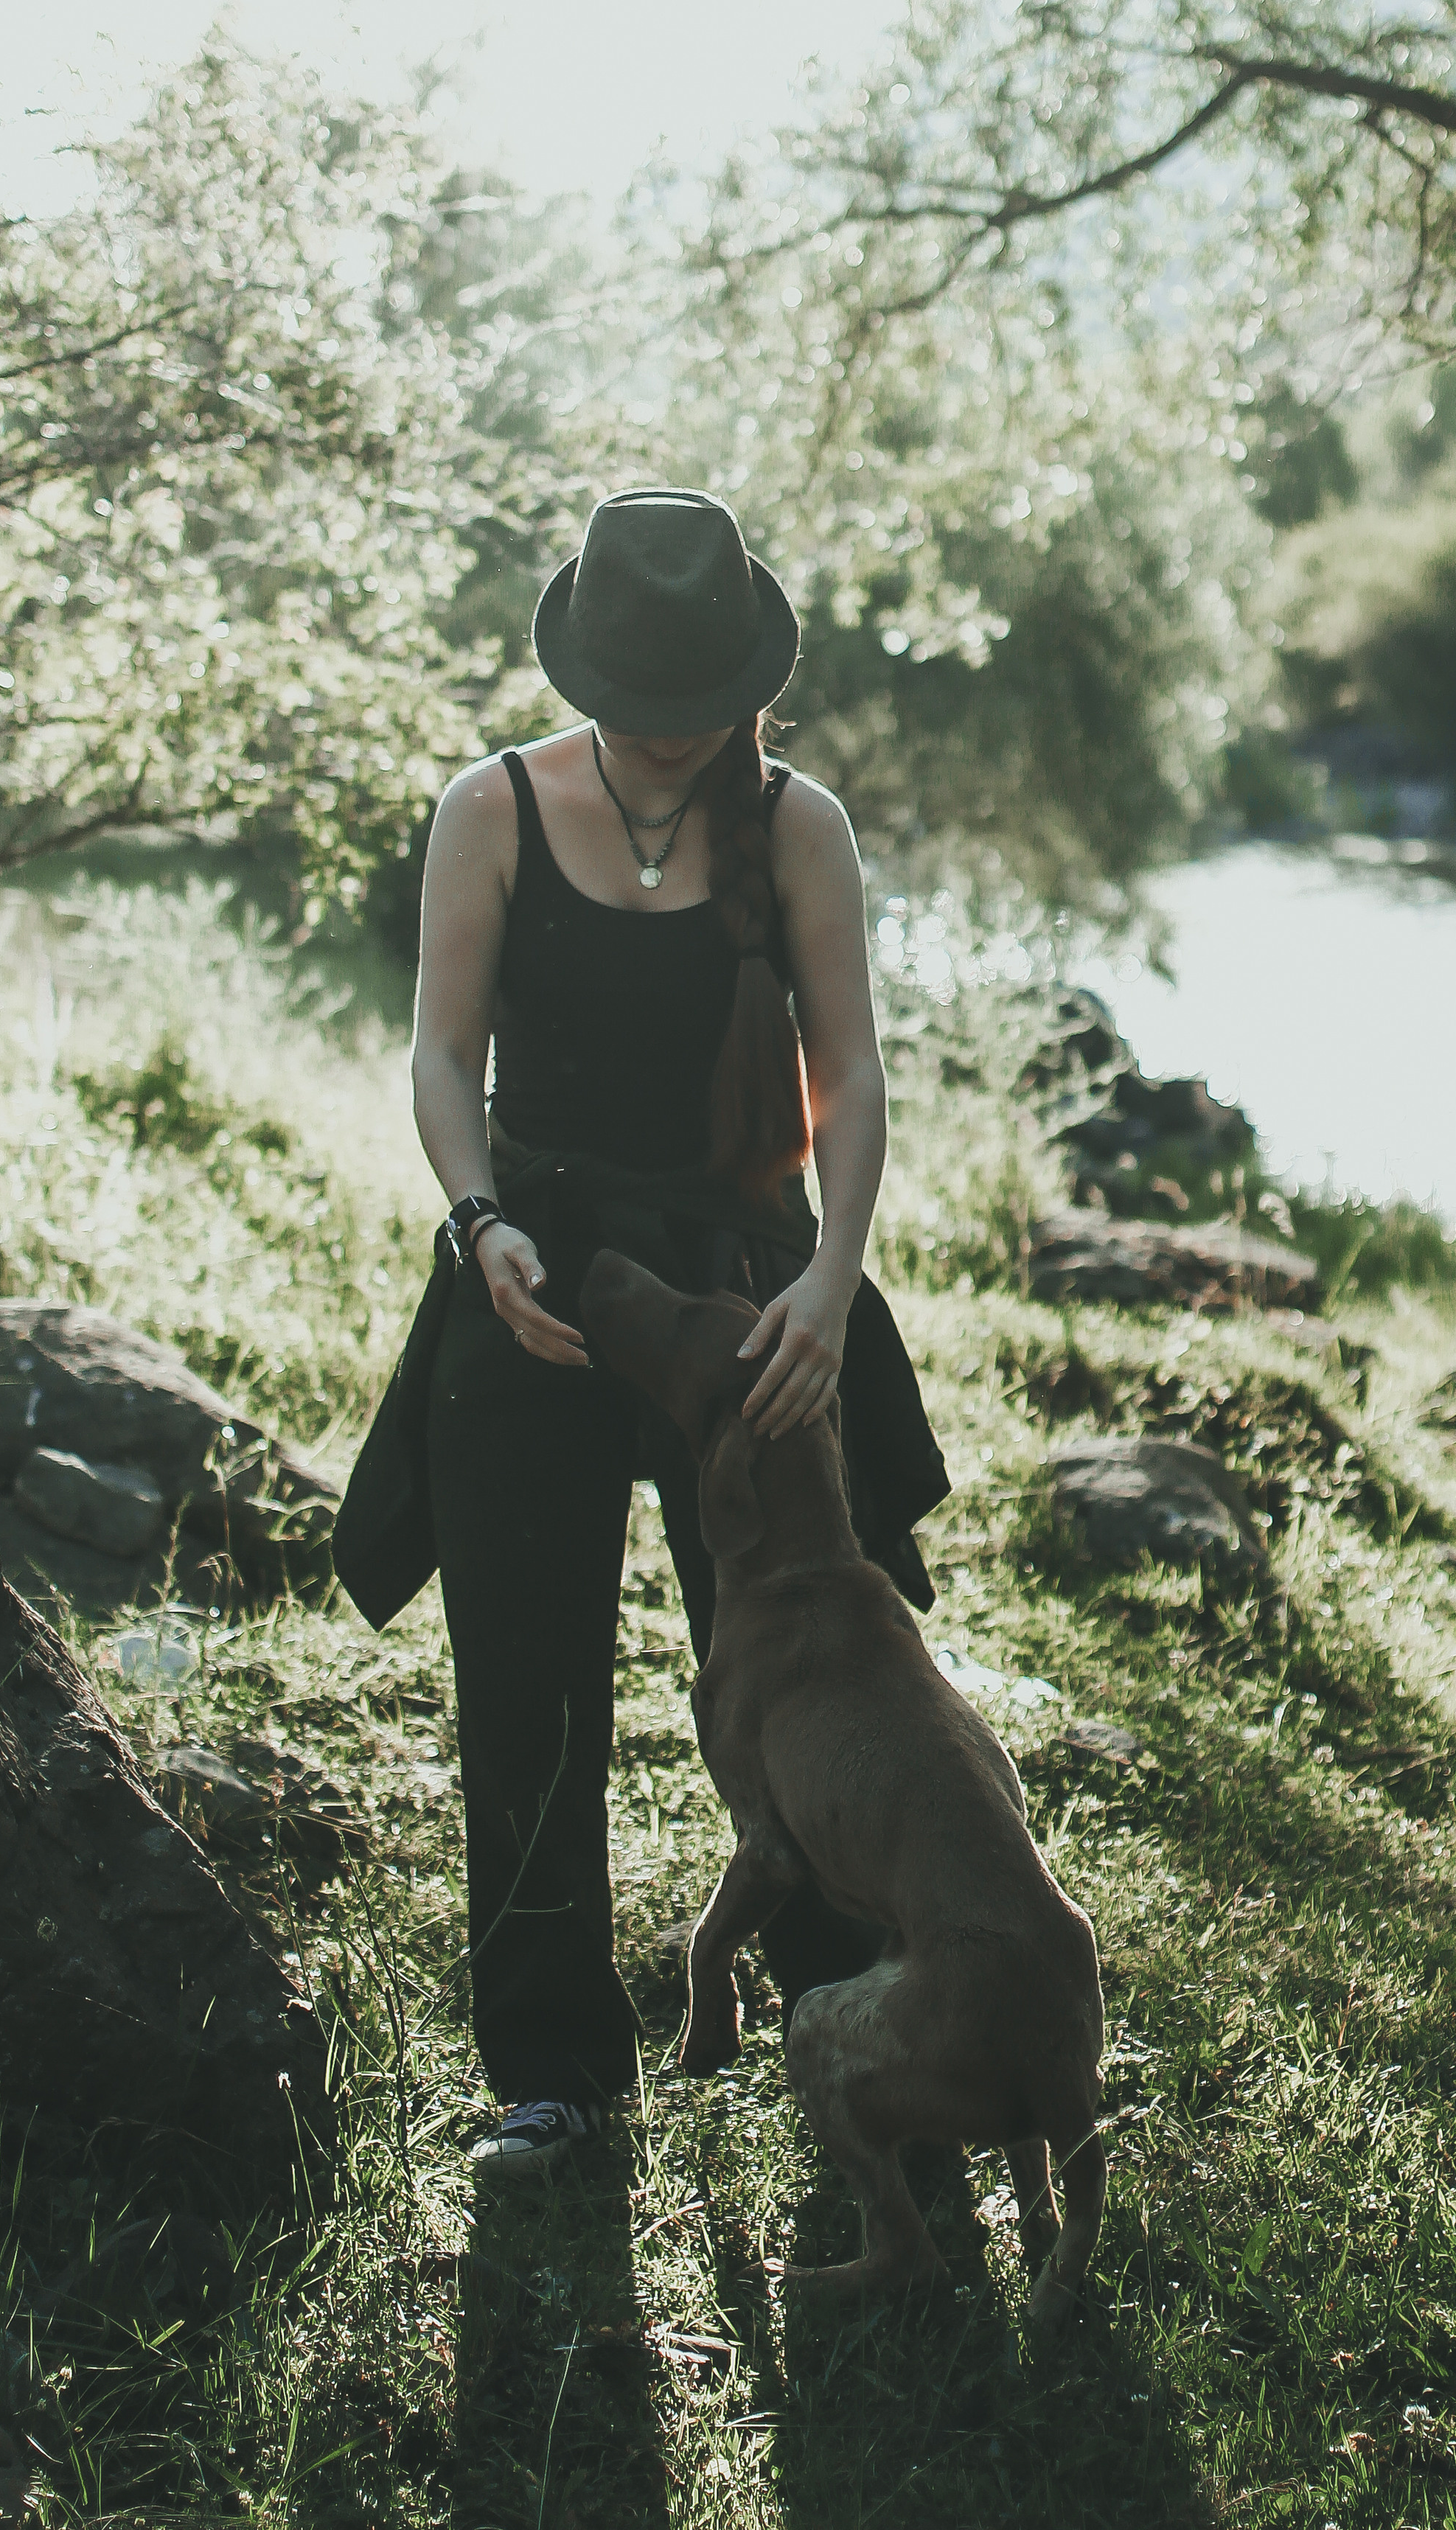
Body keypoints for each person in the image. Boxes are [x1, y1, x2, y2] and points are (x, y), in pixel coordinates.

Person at [408, 486, 947, 2171]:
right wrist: (479, 1222)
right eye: (633, 705)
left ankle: (856, 2032)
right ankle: (558, 2069)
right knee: (524, 1669)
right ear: (584, 674)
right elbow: (440, 1057)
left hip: (749, 1291)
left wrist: (832, 1273)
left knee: (819, 1675)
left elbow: (847, 1070)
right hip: (539, 1277)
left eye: (689, 704)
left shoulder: (797, 825)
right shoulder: (489, 805)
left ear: (742, 675)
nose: (659, 737)